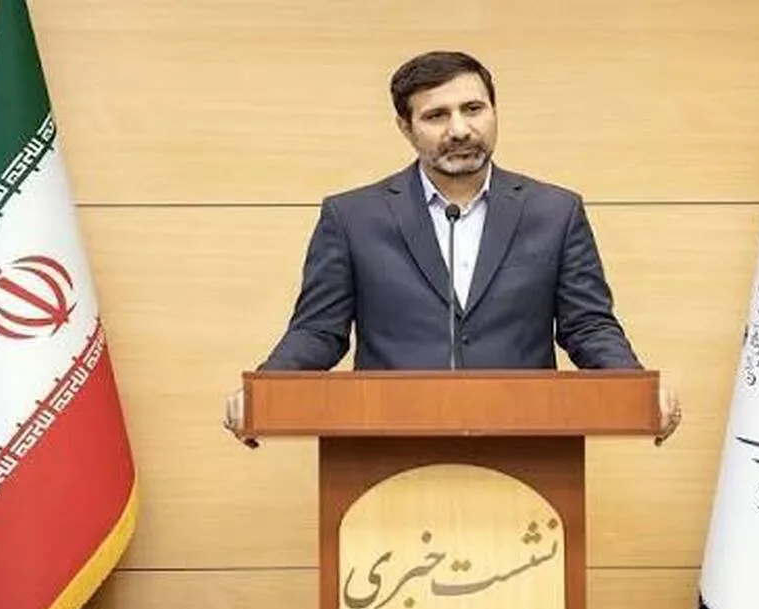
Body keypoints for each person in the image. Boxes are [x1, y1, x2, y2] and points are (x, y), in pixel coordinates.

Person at [225, 50, 681, 445]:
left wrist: (636, 390)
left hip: (524, 445)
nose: (460, 129)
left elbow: (589, 326)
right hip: (389, 448)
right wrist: (263, 392)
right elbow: (318, 331)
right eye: (436, 115)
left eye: (473, 109)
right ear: (406, 128)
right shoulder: (352, 218)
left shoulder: (555, 212)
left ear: (495, 112)